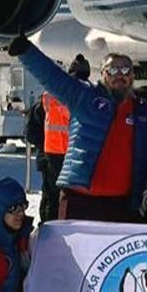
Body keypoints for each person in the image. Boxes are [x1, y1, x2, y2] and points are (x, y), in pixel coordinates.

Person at [9, 38, 147, 222]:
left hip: (121, 205)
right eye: (113, 70)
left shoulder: (144, 116)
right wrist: (26, 51)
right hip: (79, 201)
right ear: (103, 75)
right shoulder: (84, 98)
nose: (119, 75)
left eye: (125, 70)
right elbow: (52, 77)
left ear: (132, 76)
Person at [35, 56, 90, 222]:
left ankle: (47, 224)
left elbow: (40, 116)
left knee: (50, 193)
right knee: (70, 195)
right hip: (71, 151)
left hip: (51, 149)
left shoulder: (51, 91)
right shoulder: (83, 91)